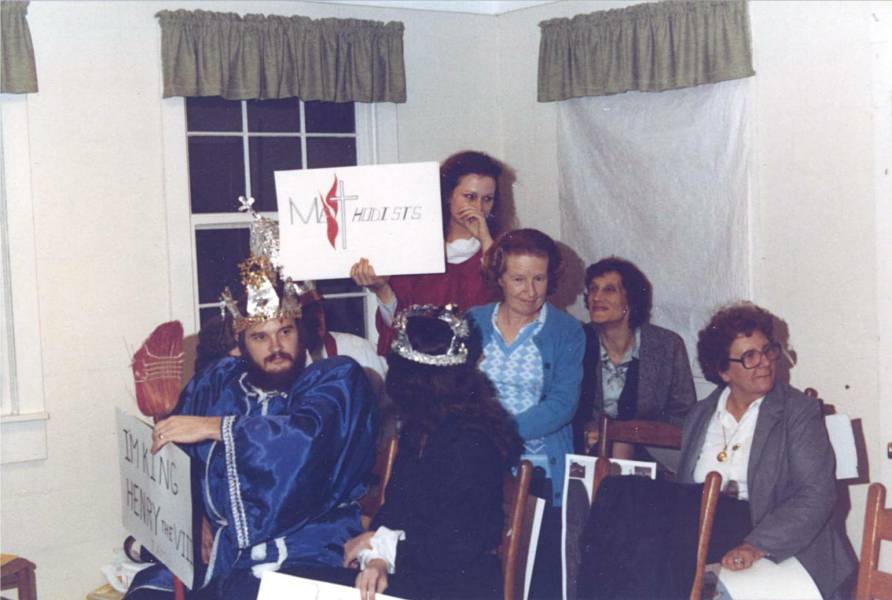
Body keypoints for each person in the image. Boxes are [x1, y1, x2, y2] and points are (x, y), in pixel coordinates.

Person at [125, 206, 378, 599]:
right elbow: (179, 457)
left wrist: (214, 428)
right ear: (240, 346)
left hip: (308, 547)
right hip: (224, 554)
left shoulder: (336, 381)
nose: (276, 346)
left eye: (285, 331)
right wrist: (193, 515)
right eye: (260, 337)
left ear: (300, 332)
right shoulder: (218, 382)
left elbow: (302, 440)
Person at [577, 302, 856, 600]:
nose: (764, 362)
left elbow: (817, 494)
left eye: (767, 350)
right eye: (749, 356)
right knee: (618, 494)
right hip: (702, 524)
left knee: (647, 517)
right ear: (724, 371)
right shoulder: (702, 414)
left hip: (760, 525)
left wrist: (755, 545)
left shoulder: (797, 411)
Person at [340, 304, 522, 599]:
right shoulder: (421, 429)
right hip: (420, 571)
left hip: (457, 586)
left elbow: (455, 546)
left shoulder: (471, 442)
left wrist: (383, 546)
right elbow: (396, 507)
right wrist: (377, 557)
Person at [467, 228, 585, 599]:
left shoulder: (568, 331)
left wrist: (499, 432)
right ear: (499, 278)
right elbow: (455, 391)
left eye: (539, 279)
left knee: (535, 580)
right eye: (518, 279)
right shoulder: (472, 322)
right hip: (475, 462)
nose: (530, 291)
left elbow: (563, 404)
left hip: (538, 469)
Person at [351, 150, 504, 354]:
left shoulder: (500, 250)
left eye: (487, 199)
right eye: (470, 197)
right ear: (448, 195)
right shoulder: (418, 250)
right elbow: (397, 325)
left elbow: (503, 306)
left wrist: (485, 240)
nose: (479, 208)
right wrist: (382, 289)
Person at [573, 257, 696, 460]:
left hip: (649, 452)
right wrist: (585, 431)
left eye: (609, 290)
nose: (596, 297)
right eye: (593, 289)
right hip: (585, 452)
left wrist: (625, 435)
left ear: (630, 300)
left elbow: (683, 415)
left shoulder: (667, 346)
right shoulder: (577, 341)